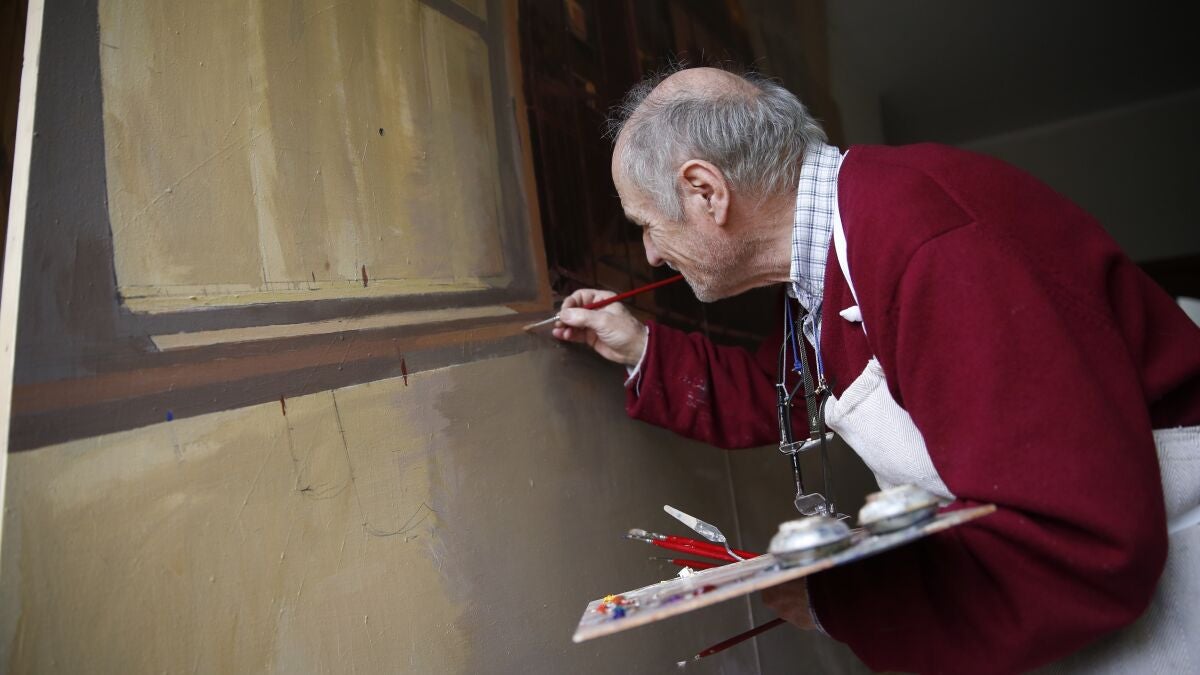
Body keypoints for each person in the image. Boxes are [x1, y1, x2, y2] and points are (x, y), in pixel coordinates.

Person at [552, 67, 1200, 674]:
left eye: (646, 224)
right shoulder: (836, 244)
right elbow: (788, 392)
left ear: (706, 192)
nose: (650, 254)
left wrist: (843, 603)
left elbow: (1084, 552)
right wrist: (638, 347)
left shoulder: (932, 249)